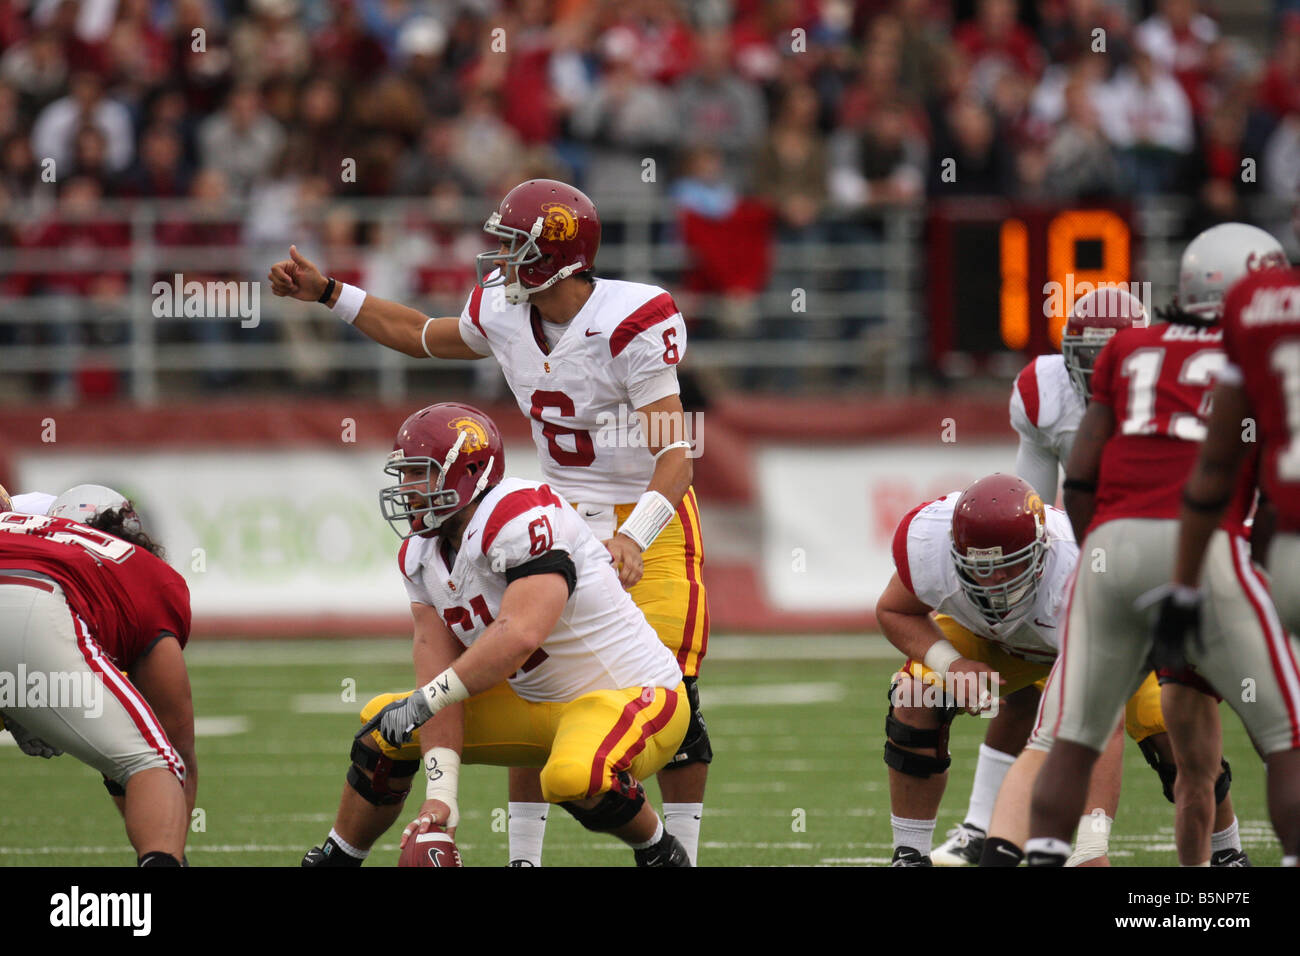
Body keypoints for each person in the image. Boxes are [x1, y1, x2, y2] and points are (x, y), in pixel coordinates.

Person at [270, 179, 711, 866]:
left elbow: (676, 460)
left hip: (643, 512)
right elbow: (418, 336)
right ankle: (523, 859)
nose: (498, 256)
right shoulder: (505, 311)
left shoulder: (633, 318)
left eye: (515, 243)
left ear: (559, 254)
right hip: (560, 516)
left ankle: (680, 852)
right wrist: (331, 294)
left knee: (676, 704)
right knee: (532, 673)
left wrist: (634, 535)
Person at [302, 403, 691, 867]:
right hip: (537, 708)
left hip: (633, 695)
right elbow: (438, 677)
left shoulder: (520, 514)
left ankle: (661, 853)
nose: (406, 491)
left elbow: (518, 635)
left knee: (572, 775)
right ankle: (337, 858)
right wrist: (441, 796)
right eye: (403, 476)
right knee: (384, 727)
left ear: (468, 473)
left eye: (419, 475)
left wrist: (428, 699)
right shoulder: (420, 555)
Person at [949, 286, 1247, 867]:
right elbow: (1034, 506)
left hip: (1181, 565)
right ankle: (995, 835)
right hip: (1094, 572)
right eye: (1083, 360)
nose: (1096, 372)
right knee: (1052, 706)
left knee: (1180, 728)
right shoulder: (1043, 392)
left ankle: (1226, 855)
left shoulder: (1186, 388)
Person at [1026, 223, 1293, 866]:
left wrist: (1096, 559)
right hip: (1207, 545)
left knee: (1075, 738)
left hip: (1113, 542)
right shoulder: (1252, 356)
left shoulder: (1128, 347)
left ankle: (1040, 856)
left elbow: (1081, 472)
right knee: (1286, 738)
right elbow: (1235, 476)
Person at [1157, 229, 1300, 867]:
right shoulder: (1257, 351)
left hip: (1186, 563)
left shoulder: (1144, 352)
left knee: (1188, 771)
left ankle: (1193, 902)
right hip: (1250, 563)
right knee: (1288, 742)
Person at [879, 473, 1078, 866]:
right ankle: (910, 854)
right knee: (916, 693)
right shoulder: (928, 543)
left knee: (1165, 733)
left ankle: (1223, 851)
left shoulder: (1076, 566)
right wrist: (951, 666)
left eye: (1008, 567)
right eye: (981, 568)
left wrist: (1092, 846)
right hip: (994, 637)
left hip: (1075, 645)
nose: (994, 583)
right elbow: (892, 610)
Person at [0, 484, 195, 866]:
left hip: (26, 598)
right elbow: (179, 743)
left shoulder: (25, 520)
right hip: (28, 598)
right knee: (154, 764)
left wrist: (16, 705)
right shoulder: (145, 573)